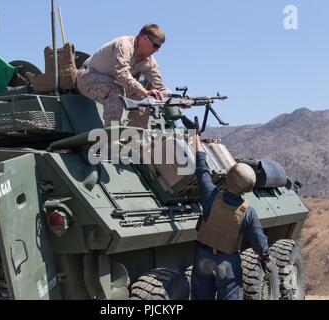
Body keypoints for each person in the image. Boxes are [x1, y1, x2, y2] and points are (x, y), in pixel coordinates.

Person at [190, 132, 271, 300]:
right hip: (227, 264)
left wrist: (196, 138)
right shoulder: (248, 212)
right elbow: (258, 240)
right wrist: (264, 256)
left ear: (228, 179)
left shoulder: (211, 197)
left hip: (203, 260)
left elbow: (202, 169)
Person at [76, 23, 171, 128]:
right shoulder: (125, 44)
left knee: (144, 99)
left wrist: (178, 99)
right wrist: (145, 91)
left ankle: (134, 139)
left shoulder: (149, 61)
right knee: (117, 92)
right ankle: (113, 137)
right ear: (144, 38)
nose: (157, 50)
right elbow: (122, 73)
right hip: (88, 77)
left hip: (113, 83)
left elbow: (158, 86)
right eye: (156, 45)